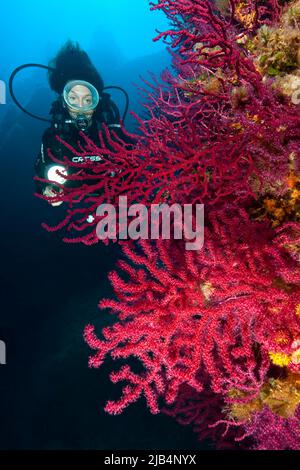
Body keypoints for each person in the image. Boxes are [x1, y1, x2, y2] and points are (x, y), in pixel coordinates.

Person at [35, 41, 128, 207]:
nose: (81, 107)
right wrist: (46, 187)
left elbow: (133, 162)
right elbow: (41, 172)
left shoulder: (110, 128)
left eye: (87, 99)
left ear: (96, 100)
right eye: (72, 99)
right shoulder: (54, 137)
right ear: (63, 101)